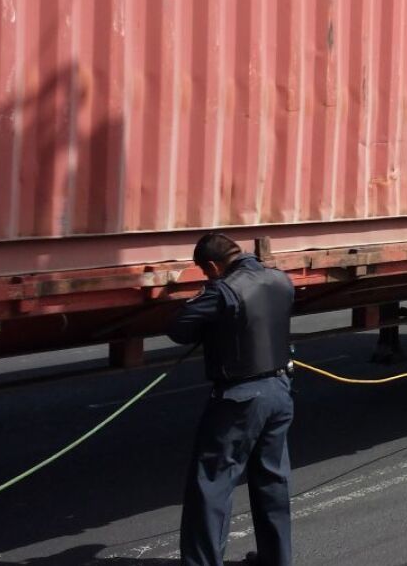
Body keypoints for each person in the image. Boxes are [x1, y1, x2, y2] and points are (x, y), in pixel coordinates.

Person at [169, 233, 296, 565]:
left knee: (211, 483)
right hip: (280, 391)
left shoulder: (223, 289)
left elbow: (179, 328)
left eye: (204, 271)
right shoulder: (281, 279)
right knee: (272, 480)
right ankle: (276, 559)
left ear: (212, 265)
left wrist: (205, 305)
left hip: (240, 399)